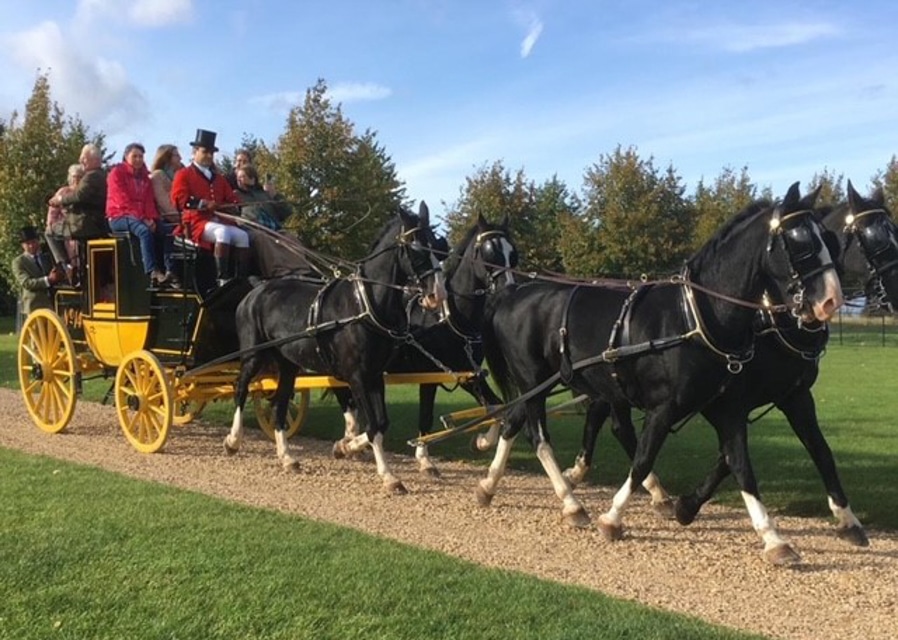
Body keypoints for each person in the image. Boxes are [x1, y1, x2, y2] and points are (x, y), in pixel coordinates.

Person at [171, 129, 250, 286]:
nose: (209, 156)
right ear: (194, 152)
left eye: (211, 153)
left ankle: (241, 278)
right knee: (223, 232)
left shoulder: (218, 178)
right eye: (205, 152)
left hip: (219, 221)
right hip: (195, 223)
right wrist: (204, 204)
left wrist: (234, 206)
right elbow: (180, 200)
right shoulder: (184, 174)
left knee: (243, 236)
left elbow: (232, 199)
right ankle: (222, 278)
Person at [106, 142, 177, 287]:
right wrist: (143, 219)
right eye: (135, 156)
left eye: (141, 156)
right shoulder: (116, 174)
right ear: (126, 157)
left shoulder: (145, 177)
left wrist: (152, 218)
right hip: (118, 215)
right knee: (144, 232)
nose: (138, 159)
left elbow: (148, 201)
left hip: (140, 216)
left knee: (168, 231)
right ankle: (152, 271)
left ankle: (170, 270)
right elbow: (122, 200)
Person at [12, 225, 63, 317]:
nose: (32, 246)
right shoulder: (19, 262)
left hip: (53, 302)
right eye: (28, 243)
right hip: (35, 305)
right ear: (22, 245)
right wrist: (48, 280)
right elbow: (27, 283)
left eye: (34, 242)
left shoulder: (47, 257)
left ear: (38, 241)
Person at [45, 163, 84, 278]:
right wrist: (54, 226)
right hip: (66, 231)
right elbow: (52, 214)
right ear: (70, 178)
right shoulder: (63, 192)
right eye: (74, 177)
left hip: (82, 228)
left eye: (79, 176)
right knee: (49, 232)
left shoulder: (85, 193)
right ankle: (63, 264)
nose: (76, 180)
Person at [234, 164, 292, 231]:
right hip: (254, 230)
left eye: (242, 176)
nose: (239, 180)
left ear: (252, 179)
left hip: (275, 230)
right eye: (238, 177)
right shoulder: (236, 195)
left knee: (293, 239)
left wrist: (275, 196)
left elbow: (286, 213)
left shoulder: (264, 194)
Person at [149, 144, 183, 224]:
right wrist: (184, 217)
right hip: (169, 222)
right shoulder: (158, 176)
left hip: (183, 218)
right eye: (176, 155)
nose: (180, 158)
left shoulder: (178, 175)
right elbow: (165, 206)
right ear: (167, 158)